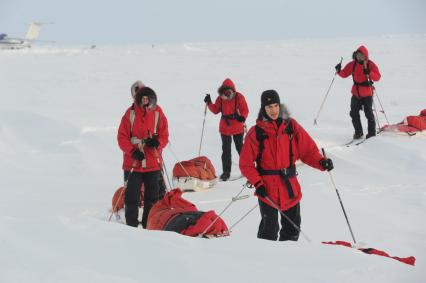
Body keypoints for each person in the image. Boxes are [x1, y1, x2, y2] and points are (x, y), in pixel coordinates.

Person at [239, 90, 333, 241]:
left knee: (293, 228)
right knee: (269, 230)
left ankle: (289, 259)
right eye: (269, 107)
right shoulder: (256, 132)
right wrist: (258, 183)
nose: (273, 110)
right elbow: (246, 164)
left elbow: (308, 151)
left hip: (289, 186)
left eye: (276, 105)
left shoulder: (291, 126)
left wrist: (321, 162)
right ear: (263, 108)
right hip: (267, 189)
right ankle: (265, 259)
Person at [117, 86, 169, 228]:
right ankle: (131, 227)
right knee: (131, 198)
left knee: (152, 198)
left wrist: (158, 142)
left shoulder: (158, 112)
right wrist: (132, 151)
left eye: (148, 98)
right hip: (133, 162)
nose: (145, 101)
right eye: (143, 98)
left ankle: (148, 226)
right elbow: (122, 138)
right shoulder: (130, 114)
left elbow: (164, 135)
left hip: (152, 161)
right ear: (138, 98)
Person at [204, 78, 249, 181]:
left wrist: (242, 117)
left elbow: (245, 110)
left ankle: (247, 168)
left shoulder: (239, 97)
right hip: (225, 127)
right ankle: (226, 172)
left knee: (240, 148)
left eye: (226, 94)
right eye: (223, 94)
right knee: (226, 150)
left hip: (237, 126)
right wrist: (209, 102)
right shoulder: (220, 98)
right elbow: (215, 110)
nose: (225, 97)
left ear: (231, 91)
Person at [335, 45, 381, 139]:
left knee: (368, 113)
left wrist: (369, 72)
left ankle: (371, 134)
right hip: (356, 93)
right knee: (353, 113)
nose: (359, 57)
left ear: (365, 56)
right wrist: (339, 70)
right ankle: (358, 132)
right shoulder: (352, 64)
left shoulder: (370, 64)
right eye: (357, 55)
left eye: (361, 55)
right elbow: (344, 74)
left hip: (367, 93)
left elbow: (378, 77)